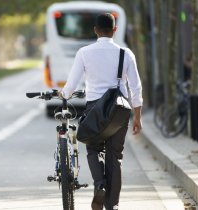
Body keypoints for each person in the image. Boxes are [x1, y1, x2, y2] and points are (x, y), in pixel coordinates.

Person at [60, 13, 143, 210]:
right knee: (115, 156)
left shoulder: (84, 53)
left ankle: (100, 184)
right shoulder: (126, 53)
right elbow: (136, 87)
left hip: (95, 109)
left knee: (93, 149)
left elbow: (70, 86)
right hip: (120, 111)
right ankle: (112, 204)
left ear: (95, 30)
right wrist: (138, 117)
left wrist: (63, 94)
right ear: (114, 30)